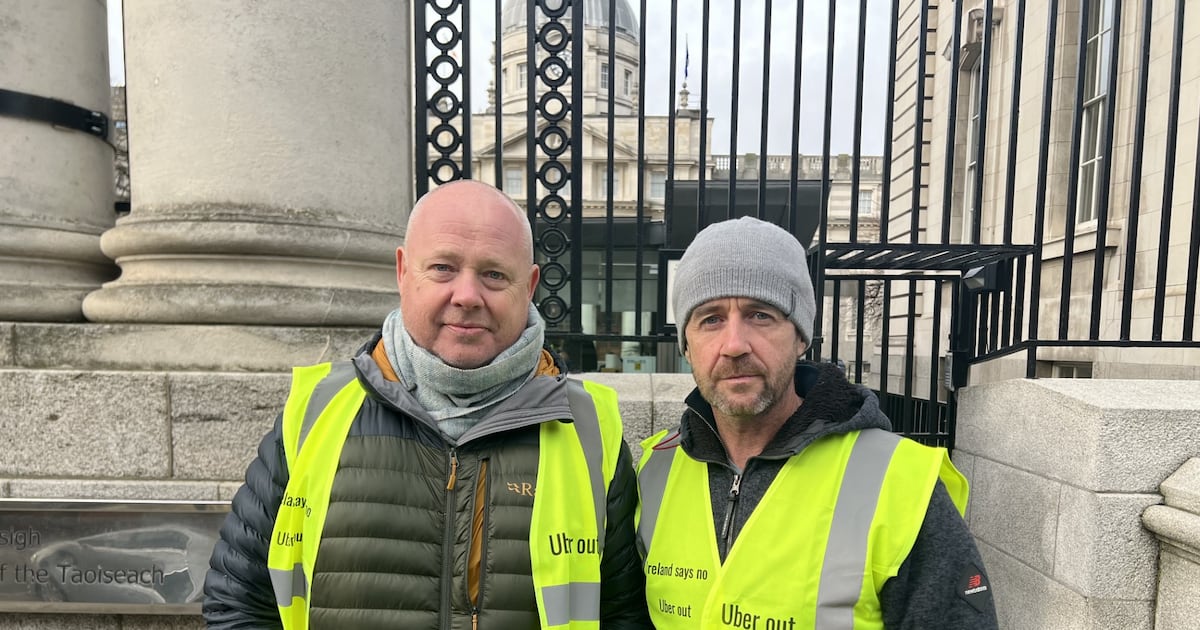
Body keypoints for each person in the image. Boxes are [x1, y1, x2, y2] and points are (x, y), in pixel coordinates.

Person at [204, 180, 650, 629]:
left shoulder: (590, 428)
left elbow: (622, 616)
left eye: (494, 274)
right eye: (442, 267)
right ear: (402, 271)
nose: (467, 295)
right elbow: (238, 603)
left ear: (530, 285)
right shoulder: (318, 410)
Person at [636, 217, 997, 629]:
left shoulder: (899, 481)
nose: (734, 344)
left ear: (801, 335)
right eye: (710, 319)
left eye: (760, 314)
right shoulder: (655, 471)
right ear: (686, 344)